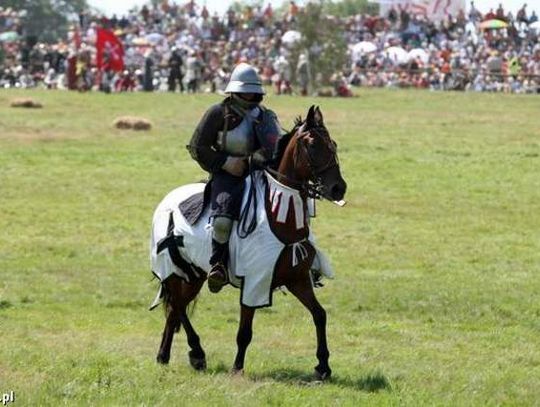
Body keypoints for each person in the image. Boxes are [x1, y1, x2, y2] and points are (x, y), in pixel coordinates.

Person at [187, 63, 283, 293]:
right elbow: (198, 146)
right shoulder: (218, 113)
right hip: (227, 177)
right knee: (222, 221)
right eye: (245, 89)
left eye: (252, 89)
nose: (249, 94)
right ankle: (218, 264)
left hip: (261, 174)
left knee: (288, 210)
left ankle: (289, 261)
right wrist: (225, 162)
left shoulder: (265, 116)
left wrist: (263, 158)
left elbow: (276, 147)